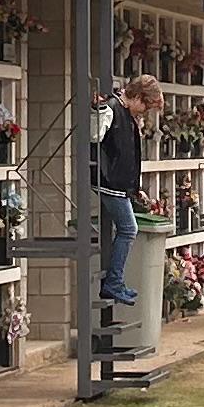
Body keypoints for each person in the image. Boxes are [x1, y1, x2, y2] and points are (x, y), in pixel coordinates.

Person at [90, 75, 153, 317]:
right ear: (137, 97)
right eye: (145, 105)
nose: (145, 111)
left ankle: (115, 282)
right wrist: (99, 110)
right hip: (109, 181)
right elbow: (95, 137)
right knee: (128, 229)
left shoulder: (125, 113)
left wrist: (135, 188)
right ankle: (113, 283)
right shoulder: (113, 109)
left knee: (127, 229)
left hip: (119, 182)